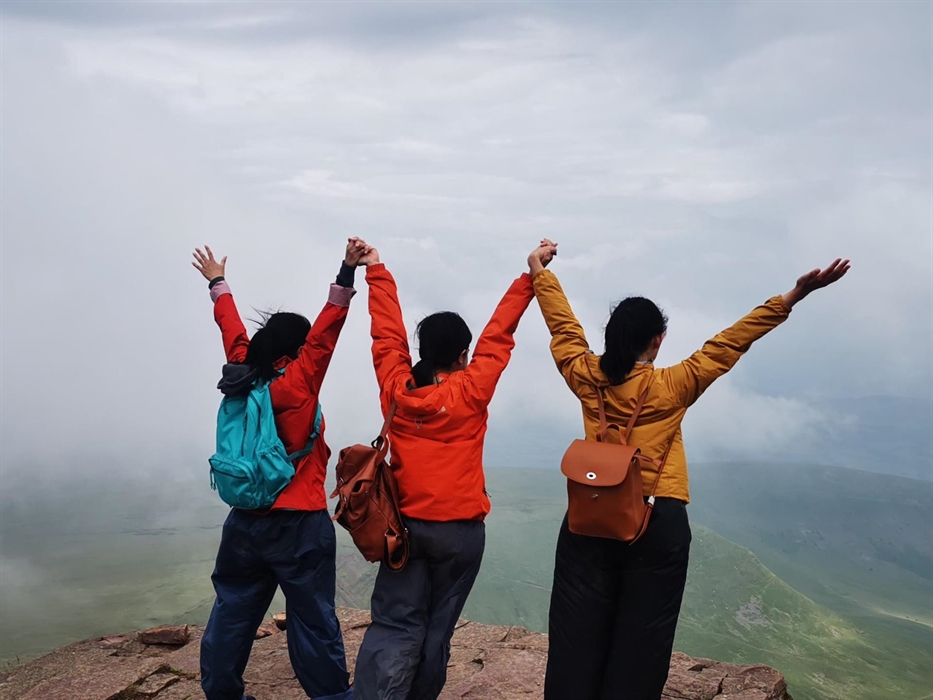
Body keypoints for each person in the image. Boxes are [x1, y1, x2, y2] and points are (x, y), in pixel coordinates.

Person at [528, 239, 850, 700]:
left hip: (590, 516)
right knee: (645, 635)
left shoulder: (584, 375)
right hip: (657, 517)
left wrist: (541, 271)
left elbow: (563, 328)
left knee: (576, 629)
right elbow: (728, 343)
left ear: (612, 339)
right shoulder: (672, 385)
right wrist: (792, 297)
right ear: (656, 341)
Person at [352, 243, 541, 700]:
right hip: (460, 534)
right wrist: (529, 277)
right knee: (437, 629)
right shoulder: (472, 390)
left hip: (406, 528)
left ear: (422, 351)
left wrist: (375, 270)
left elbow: (386, 337)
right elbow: (500, 335)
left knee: (396, 622)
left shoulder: (397, 390)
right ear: (463, 354)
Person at [192, 240, 368, 700]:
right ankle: (331, 697)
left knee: (232, 612)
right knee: (313, 620)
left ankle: (222, 693)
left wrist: (217, 282)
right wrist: (347, 270)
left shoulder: (242, 372)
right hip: (299, 524)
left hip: (246, 519)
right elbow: (330, 327)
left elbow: (230, 326)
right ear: (298, 346)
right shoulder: (300, 380)